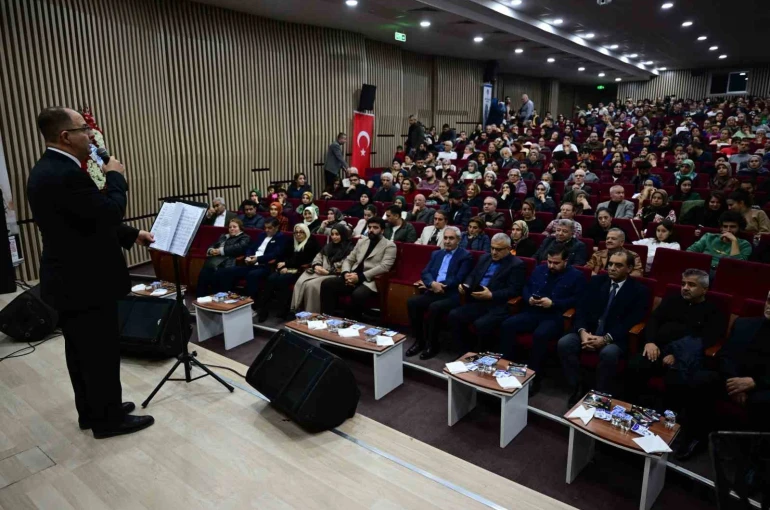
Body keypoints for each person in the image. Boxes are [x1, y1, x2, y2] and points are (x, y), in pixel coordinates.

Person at [27, 106, 156, 438]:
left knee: (81, 351)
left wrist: (131, 234)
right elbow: (108, 212)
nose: (91, 135)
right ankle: (108, 420)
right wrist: (115, 175)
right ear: (65, 136)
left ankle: (93, 410)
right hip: (86, 281)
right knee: (100, 351)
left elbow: (84, 221)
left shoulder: (48, 169)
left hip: (69, 278)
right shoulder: (66, 174)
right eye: (84, 129)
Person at [674, 292, 770, 460]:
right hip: (733, 379)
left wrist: (754, 382)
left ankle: (757, 458)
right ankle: (695, 437)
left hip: (763, 386)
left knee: (762, 401)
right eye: (769, 300)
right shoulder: (744, 324)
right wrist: (734, 383)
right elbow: (725, 356)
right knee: (700, 379)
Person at [627, 269, 727, 412]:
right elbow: (654, 320)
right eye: (683, 284)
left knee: (676, 379)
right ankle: (631, 409)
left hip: (685, 358)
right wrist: (650, 342)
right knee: (636, 364)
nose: (685, 288)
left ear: (704, 289)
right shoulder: (672, 300)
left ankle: (664, 418)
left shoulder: (713, 311)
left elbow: (705, 340)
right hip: (657, 349)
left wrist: (676, 355)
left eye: (691, 285)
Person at [558, 250, 650, 402]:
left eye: (618, 265)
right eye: (610, 264)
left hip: (615, 338)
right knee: (565, 343)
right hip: (589, 332)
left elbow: (631, 321)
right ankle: (578, 385)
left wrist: (605, 339)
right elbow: (581, 309)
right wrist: (582, 332)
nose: (612, 268)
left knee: (609, 353)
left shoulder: (639, 291)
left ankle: (600, 394)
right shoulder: (596, 282)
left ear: (629, 268)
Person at [499, 245, 586, 391]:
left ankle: (534, 376)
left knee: (540, 334)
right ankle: (506, 365)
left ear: (566, 261)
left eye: (556, 263)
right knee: (508, 324)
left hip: (556, 315)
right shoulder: (540, 269)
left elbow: (577, 300)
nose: (551, 266)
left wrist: (554, 303)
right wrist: (529, 298)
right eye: (549, 262)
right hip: (533, 311)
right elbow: (526, 287)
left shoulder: (577, 276)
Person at [448, 234, 526, 353]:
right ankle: (463, 352)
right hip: (477, 300)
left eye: (498, 249)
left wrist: (492, 295)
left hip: (497, 305)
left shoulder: (517, 264)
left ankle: (479, 354)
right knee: (454, 315)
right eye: (492, 248)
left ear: (509, 249)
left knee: (481, 324)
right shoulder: (484, 258)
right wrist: (466, 285)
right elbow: (472, 275)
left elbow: (514, 290)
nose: (494, 252)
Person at [406, 227, 474, 360]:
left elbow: (459, 278)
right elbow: (425, 272)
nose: (447, 241)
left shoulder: (465, 256)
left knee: (435, 307)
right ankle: (420, 341)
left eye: (451, 238)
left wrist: (440, 285)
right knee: (412, 302)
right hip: (434, 290)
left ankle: (433, 345)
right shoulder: (436, 254)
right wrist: (432, 284)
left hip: (451, 294)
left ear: (458, 240)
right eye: (445, 238)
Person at [321, 218, 397, 320]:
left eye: (375, 228)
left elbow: (385, 267)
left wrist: (360, 277)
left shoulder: (390, 245)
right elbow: (349, 260)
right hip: (351, 276)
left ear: (382, 230)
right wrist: (345, 273)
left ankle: (352, 322)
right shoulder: (362, 242)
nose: (371, 230)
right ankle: (327, 318)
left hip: (369, 280)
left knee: (358, 294)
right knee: (327, 284)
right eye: (369, 227)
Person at [256, 223, 320, 321]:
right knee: (271, 278)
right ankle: (264, 310)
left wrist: (286, 264)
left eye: (301, 232)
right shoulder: (291, 241)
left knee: (283, 279)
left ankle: (285, 310)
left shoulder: (311, 243)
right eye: (296, 232)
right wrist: (282, 266)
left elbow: (303, 260)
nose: (298, 234)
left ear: (306, 233)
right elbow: (282, 255)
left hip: (301, 271)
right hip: (285, 268)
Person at [214, 218, 288, 298]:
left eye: (269, 228)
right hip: (251, 264)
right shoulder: (262, 235)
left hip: (265, 266)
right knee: (226, 271)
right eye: (265, 227)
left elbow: (275, 254)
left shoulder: (281, 238)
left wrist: (258, 259)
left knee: (252, 275)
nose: (267, 230)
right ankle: (225, 297)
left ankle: (251, 301)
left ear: (276, 227)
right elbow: (250, 248)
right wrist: (248, 257)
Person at [291, 224, 354, 313]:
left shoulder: (349, 248)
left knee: (311, 285)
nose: (334, 237)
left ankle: (312, 312)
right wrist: (316, 265)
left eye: (337, 234)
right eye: (332, 234)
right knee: (302, 281)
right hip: (322, 271)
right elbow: (318, 257)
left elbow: (345, 265)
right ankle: (296, 308)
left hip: (335, 275)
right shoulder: (329, 246)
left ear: (343, 235)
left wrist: (328, 272)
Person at [195, 218, 252, 297]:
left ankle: (217, 299)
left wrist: (220, 251)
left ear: (240, 228)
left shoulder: (244, 237)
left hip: (229, 261)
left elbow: (238, 247)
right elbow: (214, 244)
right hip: (215, 261)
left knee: (218, 274)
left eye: (234, 227)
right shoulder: (224, 236)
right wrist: (211, 250)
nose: (232, 229)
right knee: (204, 273)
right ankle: (200, 298)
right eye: (230, 227)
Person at [687, 211, 752, 272]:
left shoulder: (745, 245)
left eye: (733, 227)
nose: (728, 230)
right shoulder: (708, 237)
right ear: (721, 227)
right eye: (725, 226)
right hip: (702, 270)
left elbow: (737, 266)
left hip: (725, 273)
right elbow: (689, 252)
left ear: (739, 228)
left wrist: (734, 241)